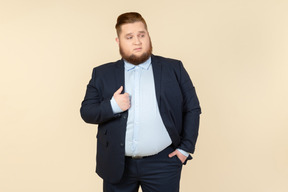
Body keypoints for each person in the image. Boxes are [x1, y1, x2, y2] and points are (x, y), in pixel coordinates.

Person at [80, 12, 201, 192]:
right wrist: (113, 105)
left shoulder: (174, 68)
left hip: (163, 164)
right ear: (118, 41)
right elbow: (87, 111)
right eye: (129, 37)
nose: (137, 42)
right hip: (117, 165)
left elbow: (192, 108)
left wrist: (185, 149)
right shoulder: (102, 74)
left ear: (148, 35)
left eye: (141, 35)